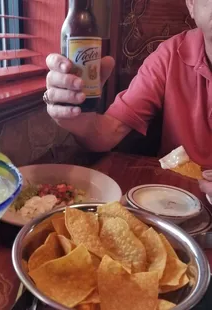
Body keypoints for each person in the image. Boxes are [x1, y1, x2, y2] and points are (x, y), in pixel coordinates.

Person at [44, 0, 212, 196]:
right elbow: (108, 131)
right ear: (191, 4)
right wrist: (80, 121)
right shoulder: (169, 56)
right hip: (177, 201)